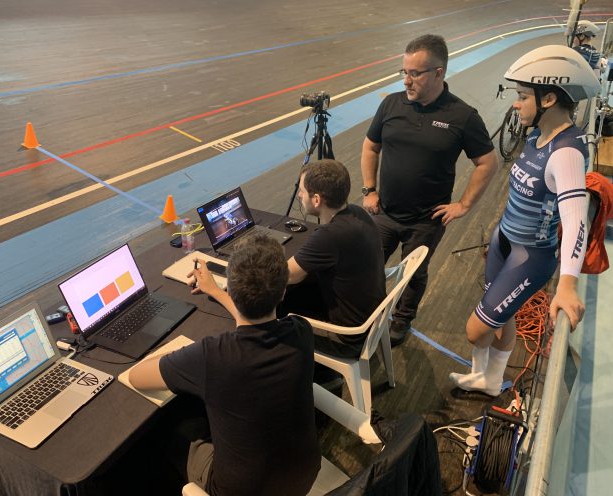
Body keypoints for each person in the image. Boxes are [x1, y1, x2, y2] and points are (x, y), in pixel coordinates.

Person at [449, 45, 601, 396]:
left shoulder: (565, 153)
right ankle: (485, 379)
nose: (515, 104)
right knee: (504, 316)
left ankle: (488, 376)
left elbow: (576, 222)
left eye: (521, 96)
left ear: (548, 98)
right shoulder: (536, 134)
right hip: (504, 241)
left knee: (477, 329)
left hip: (529, 257)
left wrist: (567, 284)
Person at [129, 235, 321, 495]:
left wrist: (180, 354)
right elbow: (256, 321)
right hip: (303, 476)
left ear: (232, 287)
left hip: (238, 490)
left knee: (170, 429)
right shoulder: (301, 331)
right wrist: (217, 293)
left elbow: (137, 376)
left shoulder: (212, 356)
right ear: (283, 291)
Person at [361, 34, 498, 345]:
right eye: (404, 72)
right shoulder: (391, 104)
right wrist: (370, 190)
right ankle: (366, 312)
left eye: (415, 74)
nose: (407, 81)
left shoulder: (463, 117)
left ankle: (402, 319)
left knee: (413, 275)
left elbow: (488, 164)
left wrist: (463, 205)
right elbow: (371, 147)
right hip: (384, 213)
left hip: (426, 220)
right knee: (367, 266)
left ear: (439, 73)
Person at [282, 158, 386, 359]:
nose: (300, 194)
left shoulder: (330, 236)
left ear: (317, 200)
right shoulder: (356, 212)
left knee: (277, 319)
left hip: (347, 338)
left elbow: (287, 275)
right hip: (370, 319)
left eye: (302, 191)